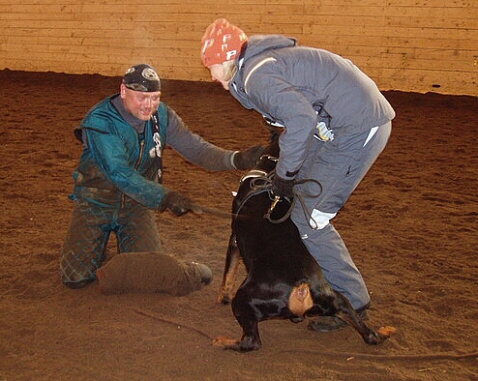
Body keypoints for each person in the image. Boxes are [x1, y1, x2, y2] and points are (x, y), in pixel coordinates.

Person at [200, 19, 395, 331]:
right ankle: (308, 280)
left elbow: (301, 120)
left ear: (230, 58)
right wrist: (286, 175)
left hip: (355, 127)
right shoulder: (254, 69)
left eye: (212, 65)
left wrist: (287, 174)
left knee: (310, 217)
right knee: (296, 197)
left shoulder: (257, 77)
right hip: (337, 123)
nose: (210, 75)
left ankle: (352, 302)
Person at [60, 63, 264, 291]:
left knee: (149, 273)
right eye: (142, 98)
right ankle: (98, 246)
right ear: (123, 91)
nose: (149, 106)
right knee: (75, 278)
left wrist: (236, 159)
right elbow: (120, 174)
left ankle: (190, 270)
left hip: (136, 207)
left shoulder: (162, 116)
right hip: (96, 203)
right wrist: (164, 197)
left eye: (155, 97)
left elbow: (195, 148)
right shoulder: (100, 122)